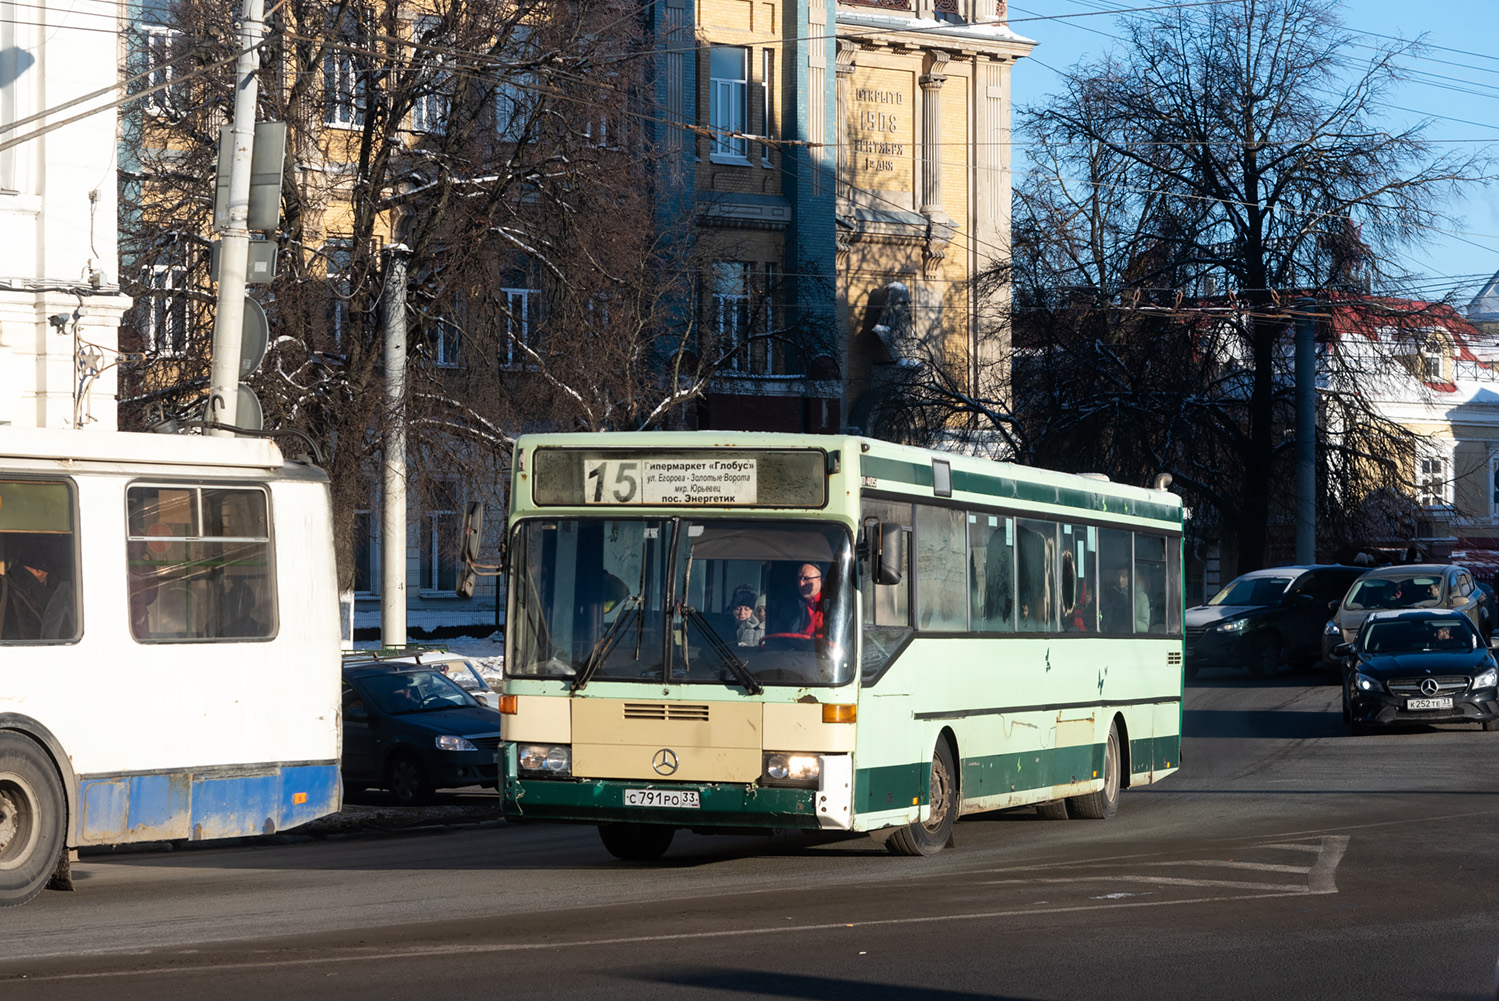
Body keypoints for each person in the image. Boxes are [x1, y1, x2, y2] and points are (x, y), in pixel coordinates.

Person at [788, 563, 826, 639]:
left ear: (822, 581)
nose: (801, 584)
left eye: (807, 579)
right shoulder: (791, 606)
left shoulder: (834, 606)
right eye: (799, 578)